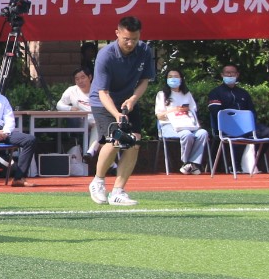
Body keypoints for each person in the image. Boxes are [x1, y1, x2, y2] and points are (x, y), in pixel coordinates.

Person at [88, 15, 156, 206]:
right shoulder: (106, 55)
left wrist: (133, 99)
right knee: (115, 139)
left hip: (128, 100)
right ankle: (98, 181)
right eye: (126, 39)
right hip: (103, 102)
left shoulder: (144, 50)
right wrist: (117, 115)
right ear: (117, 33)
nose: (130, 43)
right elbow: (102, 92)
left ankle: (118, 191)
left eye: (134, 39)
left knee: (134, 141)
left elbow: (144, 80)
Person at [205, 63, 267, 173]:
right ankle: (235, 165)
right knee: (238, 132)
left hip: (247, 126)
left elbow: (252, 112)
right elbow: (215, 112)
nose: (230, 75)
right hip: (225, 127)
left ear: (237, 75)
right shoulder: (215, 93)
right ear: (222, 75)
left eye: (232, 73)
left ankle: (251, 162)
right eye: (227, 73)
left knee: (267, 133)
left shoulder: (243, 93)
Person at [155, 68, 210, 174]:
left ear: (181, 79)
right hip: (169, 126)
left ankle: (192, 163)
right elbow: (159, 116)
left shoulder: (187, 94)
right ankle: (186, 162)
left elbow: (193, 110)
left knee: (203, 133)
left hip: (188, 124)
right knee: (186, 135)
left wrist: (186, 110)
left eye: (175, 77)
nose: (173, 79)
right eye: (170, 77)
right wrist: (174, 110)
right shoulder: (162, 94)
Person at [56, 66, 100, 155]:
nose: (80, 81)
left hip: (97, 121)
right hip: (81, 120)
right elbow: (59, 105)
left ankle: (90, 152)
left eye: (83, 77)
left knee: (98, 126)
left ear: (90, 77)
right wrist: (70, 108)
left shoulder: (98, 90)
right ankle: (91, 152)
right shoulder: (72, 90)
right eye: (77, 79)